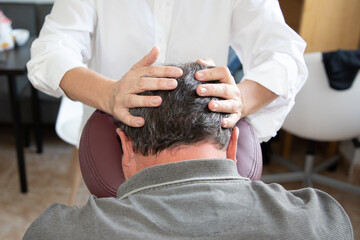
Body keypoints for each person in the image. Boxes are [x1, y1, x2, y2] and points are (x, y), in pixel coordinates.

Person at [23, 63, 352, 240]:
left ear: (124, 148)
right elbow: (288, 56)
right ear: (234, 146)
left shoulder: (55, 232)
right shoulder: (321, 221)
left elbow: (48, 56)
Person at [27, 0, 308, 142]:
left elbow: (285, 54)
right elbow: (49, 52)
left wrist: (241, 99)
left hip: (202, 146)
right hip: (114, 136)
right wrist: (108, 94)